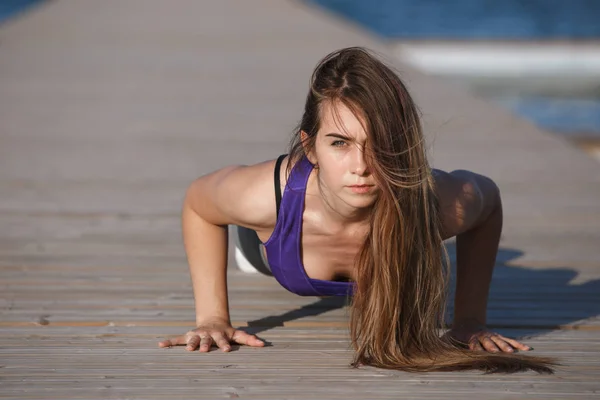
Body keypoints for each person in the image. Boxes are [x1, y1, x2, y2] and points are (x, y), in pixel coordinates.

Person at [158, 47, 556, 373]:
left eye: (379, 143)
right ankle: (252, 247)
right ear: (310, 146)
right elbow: (199, 203)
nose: (362, 165)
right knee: (255, 236)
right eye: (339, 143)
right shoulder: (265, 198)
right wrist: (212, 316)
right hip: (278, 237)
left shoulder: (437, 204)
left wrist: (469, 320)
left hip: (392, 215)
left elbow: (489, 203)